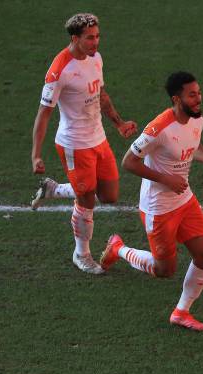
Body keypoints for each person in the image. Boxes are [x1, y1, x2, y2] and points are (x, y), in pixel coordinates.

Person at [100, 71, 203, 332]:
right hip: (158, 208)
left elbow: (191, 149)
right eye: (192, 95)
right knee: (164, 270)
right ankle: (118, 248)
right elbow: (129, 162)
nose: (199, 98)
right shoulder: (159, 128)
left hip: (185, 200)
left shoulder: (196, 119)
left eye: (199, 92)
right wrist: (166, 179)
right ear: (176, 99)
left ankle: (181, 312)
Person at [30, 13, 137, 274]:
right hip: (74, 144)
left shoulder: (95, 59)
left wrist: (119, 123)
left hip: (98, 139)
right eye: (90, 38)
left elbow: (100, 93)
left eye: (98, 36)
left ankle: (54, 190)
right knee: (87, 198)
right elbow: (43, 115)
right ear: (75, 38)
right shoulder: (59, 71)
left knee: (109, 196)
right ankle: (82, 254)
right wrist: (36, 155)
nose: (95, 42)